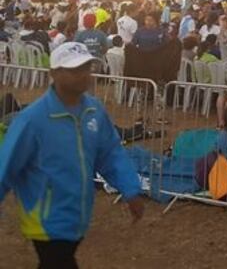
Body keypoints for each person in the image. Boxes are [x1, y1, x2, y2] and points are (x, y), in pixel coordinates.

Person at [0, 42, 144, 268]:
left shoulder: (94, 111)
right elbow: (5, 166)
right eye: (74, 70)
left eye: (86, 68)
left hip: (77, 215)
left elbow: (110, 153)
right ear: (54, 74)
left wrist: (130, 189)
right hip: (45, 219)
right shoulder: (32, 119)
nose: (83, 75)